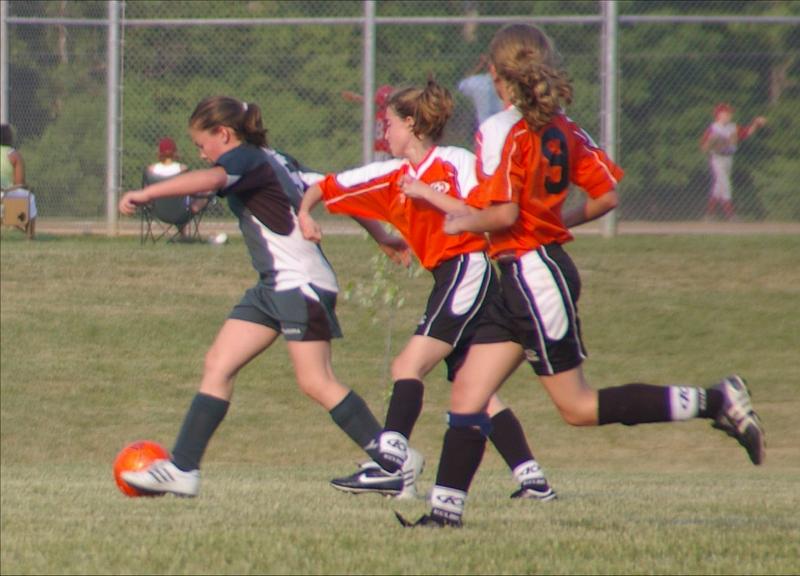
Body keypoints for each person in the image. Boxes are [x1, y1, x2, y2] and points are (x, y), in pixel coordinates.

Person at [398, 24, 765, 528]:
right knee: (467, 390)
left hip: (532, 277)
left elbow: (504, 214)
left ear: (497, 74)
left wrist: (464, 221)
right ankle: (444, 516)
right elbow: (606, 195)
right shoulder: (563, 126)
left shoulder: (500, 129)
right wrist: (551, 225)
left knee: (578, 406)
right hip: (526, 271)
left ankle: (717, 400)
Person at [117, 96, 405, 497]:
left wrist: (150, 193)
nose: (202, 154)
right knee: (219, 363)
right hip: (274, 285)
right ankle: (183, 469)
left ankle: (394, 466)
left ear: (224, 134)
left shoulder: (244, 158)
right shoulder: (274, 158)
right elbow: (332, 188)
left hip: (299, 283)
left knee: (316, 381)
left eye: (202, 144)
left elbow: (211, 180)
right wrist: (381, 235)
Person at [299, 80, 556, 502]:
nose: (384, 132)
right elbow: (325, 186)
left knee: (407, 365)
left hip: (469, 266)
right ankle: (533, 481)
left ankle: (391, 462)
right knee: (473, 385)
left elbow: (483, 212)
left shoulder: (456, 162)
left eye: (389, 123)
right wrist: (306, 214)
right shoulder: (391, 173)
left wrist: (424, 194)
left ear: (412, 124)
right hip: (448, 275)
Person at [700, 103, 767, 220]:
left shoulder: (733, 127)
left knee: (718, 187)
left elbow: (747, 132)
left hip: (729, 158)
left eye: (730, 113)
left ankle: (709, 214)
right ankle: (730, 214)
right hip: (717, 159)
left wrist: (756, 123)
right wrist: (710, 143)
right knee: (725, 184)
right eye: (726, 113)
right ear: (719, 115)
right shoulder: (713, 128)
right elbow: (703, 148)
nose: (729, 115)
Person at [142, 137, 211, 239]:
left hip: (159, 213)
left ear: (159, 152)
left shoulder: (150, 170)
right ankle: (183, 233)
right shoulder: (182, 169)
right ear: (175, 152)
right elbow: (192, 189)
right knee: (206, 194)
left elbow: (145, 192)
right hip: (182, 212)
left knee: (178, 202)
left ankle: (182, 234)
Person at [1, 123, 38, 239]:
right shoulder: (14, 155)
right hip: (6, 194)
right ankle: (30, 233)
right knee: (30, 197)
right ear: (10, 138)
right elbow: (19, 182)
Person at [341, 84, 395, 161]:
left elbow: (372, 101)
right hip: (387, 150)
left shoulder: (379, 114)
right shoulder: (390, 115)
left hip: (377, 149)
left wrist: (355, 97)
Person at [457, 54, 504, 130]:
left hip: (484, 126)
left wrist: (479, 66)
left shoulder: (477, 81)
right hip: (503, 125)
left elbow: (462, 85)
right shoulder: (505, 82)